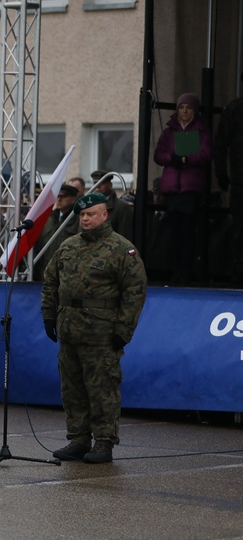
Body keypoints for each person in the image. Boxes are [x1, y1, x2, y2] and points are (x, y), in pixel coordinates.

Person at [41, 192, 147, 464]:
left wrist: (124, 331)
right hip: (69, 331)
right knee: (72, 388)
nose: (85, 219)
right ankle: (78, 438)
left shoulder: (122, 249)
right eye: (82, 215)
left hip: (101, 333)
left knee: (102, 389)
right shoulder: (68, 246)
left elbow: (134, 293)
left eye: (90, 214)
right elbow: (51, 282)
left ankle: (103, 442)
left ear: (104, 215)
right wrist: (49, 316)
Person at [153, 92, 214, 285]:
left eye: (188, 107)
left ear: (195, 111)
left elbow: (206, 154)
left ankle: (187, 274)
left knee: (189, 234)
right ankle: (175, 272)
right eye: (181, 107)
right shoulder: (169, 131)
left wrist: (188, 159)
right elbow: (158, 154)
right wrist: (173, 158)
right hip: (172, 191)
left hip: (190, 190)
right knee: (174, 234)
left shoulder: (202, 131)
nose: (184, 111)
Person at [215, 81, 243, 284]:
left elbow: (221, 144)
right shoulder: (235, 109)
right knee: (239, 230)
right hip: (239, 181)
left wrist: (222, 174)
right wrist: (222, 174)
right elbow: (221, 144)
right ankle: (238, 271)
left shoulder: (234, 108)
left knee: (239, 229)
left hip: (238, 180)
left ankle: (238, 272)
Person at [32, 183, 80, 281]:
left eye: (64, 196)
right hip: (44, 274)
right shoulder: (48, 219)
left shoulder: (78, 220)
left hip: (67, 275)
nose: (59, 199)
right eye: (58, 196)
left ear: (73, 199)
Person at [90, 169, 134, 243]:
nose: (97, 186)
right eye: (95, 183)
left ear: (110, 185)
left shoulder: (122, 207)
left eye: (102, 183)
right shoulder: (88, 206)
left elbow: (125, 237)